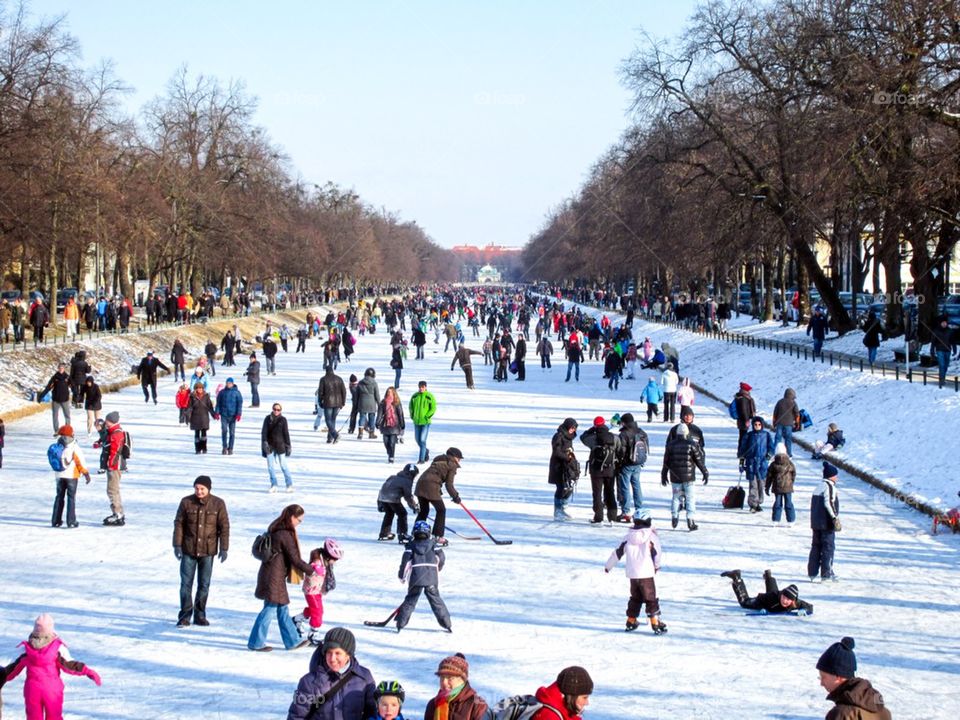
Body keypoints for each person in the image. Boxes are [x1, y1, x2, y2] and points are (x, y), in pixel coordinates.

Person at [3, 614, 101, 719]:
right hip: (52, 690)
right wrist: (88, 671)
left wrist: (1, 676)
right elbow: (69, 665)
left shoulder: (26, 649)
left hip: (32, 689)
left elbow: (12, 669)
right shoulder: (57, 648)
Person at [248, 504, 315, 652]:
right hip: (274, 577)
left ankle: (292, 641)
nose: (299, 523)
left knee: (282, 608)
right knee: (270, 609)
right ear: (292, 517)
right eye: (299, 520)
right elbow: (294, 558)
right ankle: (256, 643)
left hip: (272, 574)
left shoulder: (276, 528)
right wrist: (311, 570)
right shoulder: (284, 534)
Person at [173, 475, 230, 627]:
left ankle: (200, 614)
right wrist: (177, 545)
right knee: (186, 584)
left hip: (208, 551)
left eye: (202, 489)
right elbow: (179, 524)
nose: (199, 491)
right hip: (188, 549)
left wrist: (224, 548)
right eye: (197, 488)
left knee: (204, 584)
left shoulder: (218, 503)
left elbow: (224, 527)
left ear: (208, 489)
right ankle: (185, 615)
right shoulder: (186, 502)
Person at [287, 627, 376, 720]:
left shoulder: (364, 677)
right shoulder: (309, 682)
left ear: (348, 654)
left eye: (337, 653)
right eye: (329, 653)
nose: (332, 659)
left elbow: (373, 713)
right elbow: (296, 716)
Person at [604, 509, 666, 634]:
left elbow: (617, 552)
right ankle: (655, 622)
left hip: (633, 574)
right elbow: (657, 554)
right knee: (650, 598)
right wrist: (656, 566)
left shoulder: (628, 537)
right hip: (646, 573)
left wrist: (608, 566)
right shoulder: (651, 536)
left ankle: (631, 620)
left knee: (635, 598)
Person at [396, 520, 452, 632]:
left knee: (410, 600)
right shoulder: (433, 545)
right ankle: (447, 623)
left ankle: (400, 623)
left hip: (416, 579)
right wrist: (438, 567)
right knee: (436, 600)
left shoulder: (411, 546)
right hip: (431, 577)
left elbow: (405, 563)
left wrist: (402, 576)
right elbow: (441, 557)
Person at [816, 637, 892, 720]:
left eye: (823, 677)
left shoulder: (842, 715)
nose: (821, 683)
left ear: (839, 676)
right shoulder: (882, 710)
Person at [292, 539, 343, 645]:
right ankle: (313, 634)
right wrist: (315, 567)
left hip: (317, 591)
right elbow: (310, 567)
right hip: (311, 591)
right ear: (329, 556)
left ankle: (297, 619)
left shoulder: (323, 559)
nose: (335, 562)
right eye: (335, 559)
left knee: (315, 610)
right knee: (318, 612)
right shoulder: (317, 561)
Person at [661, 423, 708, 531]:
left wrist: (663, 475)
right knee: (690, 498)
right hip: (689, 477)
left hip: (675, 476)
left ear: (677, 433)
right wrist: (705, 472)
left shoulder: (670, 445)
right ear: (687, 433)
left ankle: (674, 516)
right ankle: (690, 520)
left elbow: (666, 462)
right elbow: (698, 460)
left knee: (676, 497)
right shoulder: (691, 444)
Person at [414, 447, 463, 546]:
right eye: (459, 458)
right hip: (431, 486)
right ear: (454, 457)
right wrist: (455, 496)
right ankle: (437, 536)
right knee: (441, 510)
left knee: (424, 511)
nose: (459, 460)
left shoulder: (438, 460)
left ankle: (416, 533)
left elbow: (435, 475)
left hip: (420, 484)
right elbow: (449, 485)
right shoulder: (452, 465)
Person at [719, 568, 813, 615]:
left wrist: (804, 610)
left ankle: (768, 577)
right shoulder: (773, 597)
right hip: (764, 601)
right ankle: (736, 578)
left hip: (773, 598)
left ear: (793, 601)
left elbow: (810, 607)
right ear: (782, 595)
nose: (785, 601)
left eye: (788, 600)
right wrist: (761, 607)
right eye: (784, 597)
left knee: (773, 593)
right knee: (745, 603)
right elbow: (761, 598)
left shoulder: (796, 603)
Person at [580, 416, 619, 526]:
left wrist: (592, 429)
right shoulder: (613, 437)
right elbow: (619, 448)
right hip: (610, 469)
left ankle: (598, 517)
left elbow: (582, 437)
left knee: (597, 494)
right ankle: (612, 517)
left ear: (595, 425)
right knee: (610, 492)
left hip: (596, 470)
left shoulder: (593, 438)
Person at [423, 654, 487, 720]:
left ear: (463, 679)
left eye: (450, 678)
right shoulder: (433, 704)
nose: (444, 682)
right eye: (442, 677)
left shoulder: (477, 706)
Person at [50, 425, 90, 529]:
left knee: (59, 497)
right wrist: (85, 473)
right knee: (71, 498)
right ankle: (71, 521)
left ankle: (56, 520)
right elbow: (79, 461)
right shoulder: (74, 446)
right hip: (71, 476)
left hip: (59, 475)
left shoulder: (57, 445)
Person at [809, 462, 841, 582]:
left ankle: (812, 573)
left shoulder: (818, 487)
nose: (836, 477)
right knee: (828, 548)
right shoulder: (830, 486)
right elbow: (829, 503)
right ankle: (826, 574)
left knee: (816, 547)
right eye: (835, 475)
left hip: (816, 523)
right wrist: (834, 518)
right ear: (831, 476)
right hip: (826, 524)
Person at [615, 413, 648, 522]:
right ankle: (639, 509)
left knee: (625, 487)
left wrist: (619, 462)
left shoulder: (624, 434)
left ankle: (626, 511)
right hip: (638, 463)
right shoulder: (641, 431)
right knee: (637, 485)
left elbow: (621, 451)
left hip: (627, 464)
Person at [737, 416, 774, 513]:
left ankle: (758, 502)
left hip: (762, 464)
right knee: (753, 485)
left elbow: (771, 449)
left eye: (759, 425)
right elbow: (742, 451)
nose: (757, 426)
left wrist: (767, 458)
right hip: (751, 464)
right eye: (755, 424)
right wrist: (741, 463)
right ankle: (753, 504)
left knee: (761, 484)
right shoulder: (748, 436)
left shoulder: (766, 435)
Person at [378, 463, 420, 542]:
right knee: (402, 514)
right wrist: (414, 506)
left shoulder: (392, 477)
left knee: (389, 513)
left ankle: (384, 533)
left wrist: (379, 502)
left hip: (382, 497)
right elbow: (408, 496)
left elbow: (383, 488)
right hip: (392, 498)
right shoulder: (407, 481)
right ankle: (402, 534)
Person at [549, 418, 580, 521]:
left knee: (568, 487)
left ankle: (563, 507)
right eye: (571, 428)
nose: (573, 430)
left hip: (567, 466)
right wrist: (568, 457)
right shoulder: (559, 436)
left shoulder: (569, 437)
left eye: (574, 428)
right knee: (561, 487)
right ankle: (557, 510)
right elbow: (556, 452)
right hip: (558, 466)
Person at [262, 403, 293, 492]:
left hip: (280, 445)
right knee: (270, 467)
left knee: (283, 465)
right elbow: (264, 432)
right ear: (272, 409)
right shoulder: (267, 419)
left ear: (280, 411)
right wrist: (264, 443)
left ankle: (289, 484)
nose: (276, 411)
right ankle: (274, 484)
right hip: (270, 446)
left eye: (278, 410)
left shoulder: (283, 420)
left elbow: (286, 433)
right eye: (275, 409)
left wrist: (288, 445)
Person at [103, 411, 127, 526]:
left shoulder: (116, 434)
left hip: (114, 466)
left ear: (111, 421)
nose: (105, 423)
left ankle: (118, 513)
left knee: (112, 490)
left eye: (107, 421)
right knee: (114, 489)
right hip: (114, 465)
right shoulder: (113, 431)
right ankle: (118, 512)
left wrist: (110, 464)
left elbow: (115, 451)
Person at [765, 442, 797, 525]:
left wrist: (767, 487)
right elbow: (794, 474)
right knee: (789, 503)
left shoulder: (773, 464)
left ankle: (776, 520)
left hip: (777, 486)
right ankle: (791, 520)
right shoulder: (790, 463)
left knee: (778, 503)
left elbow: (769, 477)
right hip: (788, 487)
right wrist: (791, 482)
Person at [38, 363, 72, 434]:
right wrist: (42, 395)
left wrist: (77, 395)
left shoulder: (67, 377)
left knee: (67, 415)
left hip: (65, 399)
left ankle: (67, 430)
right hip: (56, 400)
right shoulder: (54, 377)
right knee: (55, 416)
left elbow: (73, 387)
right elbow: (48, 387)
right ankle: (56, 431)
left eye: (62, 368)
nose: (61, 369)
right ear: (58, 368)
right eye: (59, 368)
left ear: (64, 369)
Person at [316, 367, 347, 443]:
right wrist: (343, 402)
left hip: (328, 402)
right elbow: (344, 391)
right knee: (333, 420)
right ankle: (330, 437)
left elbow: (320, 392)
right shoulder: (339, 379)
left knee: (328, 420)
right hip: (338, 402)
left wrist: (320, 402)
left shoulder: (323, 379)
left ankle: (335, 434)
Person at [409, 381, 436, 464]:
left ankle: (421, 459)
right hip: (417, 422)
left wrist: (427, 416)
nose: (421, 388)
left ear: (425, 387)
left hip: (425, 422)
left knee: (422, 440)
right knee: (417, 440)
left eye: (423, 387)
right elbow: (411, 406)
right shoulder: (415, 396)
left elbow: (433, 408)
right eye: (420, 387)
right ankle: (425, 450)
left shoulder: (429, 396)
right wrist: (412, 415)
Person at [376, 386, 405, 463]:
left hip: (394, 425)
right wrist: (377, 422)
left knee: (392, 442)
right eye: (388, 392)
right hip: (385, 425)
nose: (389, 394)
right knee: (386, 442)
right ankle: (389, 452)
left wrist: (402, 424)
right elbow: (380, 413)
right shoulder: (383, 403)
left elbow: (400, 414)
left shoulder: (397, 403)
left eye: (390, 392)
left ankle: (391, 457)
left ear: (394, 394)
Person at [214, 377, 243, 455]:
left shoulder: (237, 393)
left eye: (230, 383)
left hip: (233, 415)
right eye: (227, 383)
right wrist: (217, 412)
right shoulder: (222, 392)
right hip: (224, 414)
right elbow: (218, 403)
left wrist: (239, 414)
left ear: (233, 384)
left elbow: (239, 404)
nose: (228, 384)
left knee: (232, 432)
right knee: (224, 430)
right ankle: (224, 447)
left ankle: (230, 448)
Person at [772, 387, 800, 457]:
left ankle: (775, 452)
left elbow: (775, 413)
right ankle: (789, 453)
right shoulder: (793, 403)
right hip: (789, 424)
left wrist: (774, 422)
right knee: (788, 439)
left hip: (779, 423)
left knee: (778, 438)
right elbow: (797, 414)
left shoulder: (780, 402)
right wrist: (797, 423)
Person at [188, 384, 215, 454]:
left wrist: (214, 414)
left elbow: (210, 407)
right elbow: (189, 408)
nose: (199, 390)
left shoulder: (206, 396)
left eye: (201, 388)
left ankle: (204, 448)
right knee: (196, 434)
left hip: (204, 418)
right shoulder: (192, 397)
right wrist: (187, 417)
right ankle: (197, 449)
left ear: (203, 389)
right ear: (195, 389)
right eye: (198, 388)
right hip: (195, 418)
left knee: (204, 434)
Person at [356, 368, 381, 439]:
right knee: (372, 418)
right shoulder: (374, 383)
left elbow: (357, 394)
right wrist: (379, 404)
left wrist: (356, 404)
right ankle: (371, 433)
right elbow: (377, 395)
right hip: (371, 403)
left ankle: (360, 433)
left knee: (362, 417)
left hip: (362, 402)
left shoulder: (360, 382)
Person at [732, 381, 756, 446]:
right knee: (743, 436)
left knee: (742, 435)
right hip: (743, 420)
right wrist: (746, 420)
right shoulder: (743, 399)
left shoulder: (741, 397)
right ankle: (741, 452)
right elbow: (744, 410)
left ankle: (741, 451)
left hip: (741, 420)